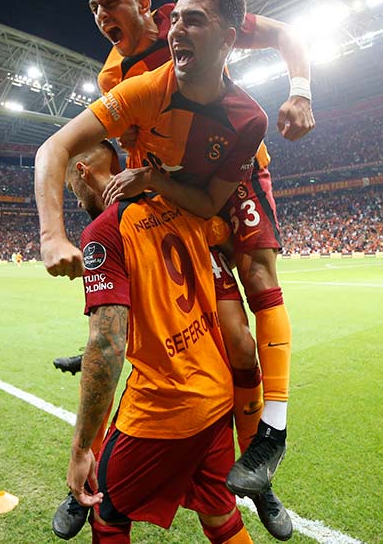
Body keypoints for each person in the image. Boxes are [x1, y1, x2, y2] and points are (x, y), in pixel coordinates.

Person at [46, 0, 289, 539]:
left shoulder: (199, 56)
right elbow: (73, 145)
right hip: (164, 197)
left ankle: (263, 464)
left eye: (111, 1)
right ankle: (91, 468)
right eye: (93, 7)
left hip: (210, 192)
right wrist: (65, 225)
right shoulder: (118, 78)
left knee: (239, 344)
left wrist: (299, 90)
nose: (102, 15)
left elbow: (283, 35)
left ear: (143, 3)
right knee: (117, 341)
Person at [63, 140, 260, 543]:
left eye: (71, 188)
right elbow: (225, 237)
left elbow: (107, 344)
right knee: (220, 516)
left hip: (163, 408)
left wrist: (81, 449)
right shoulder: (177, 203)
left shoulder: (102, 232)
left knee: (104, 508)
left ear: (82, 172)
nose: (76, 199)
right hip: (216, 395)